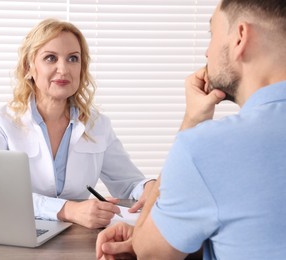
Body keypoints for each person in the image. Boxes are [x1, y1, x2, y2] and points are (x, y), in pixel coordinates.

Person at [96, 0, 286, 259]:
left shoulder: (207, 148)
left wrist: (191, 121)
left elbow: (149, 253)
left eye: (212, 35)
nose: (207, 53)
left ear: (240, 37)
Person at [0, 18, 156, 229]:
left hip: (77, 238)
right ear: (29, 67)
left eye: (73, 59)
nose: (63, 69)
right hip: (15, 233)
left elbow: (127, 183)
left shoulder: (97, 124)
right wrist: (69, 210)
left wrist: (149, 187)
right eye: (50, 58)